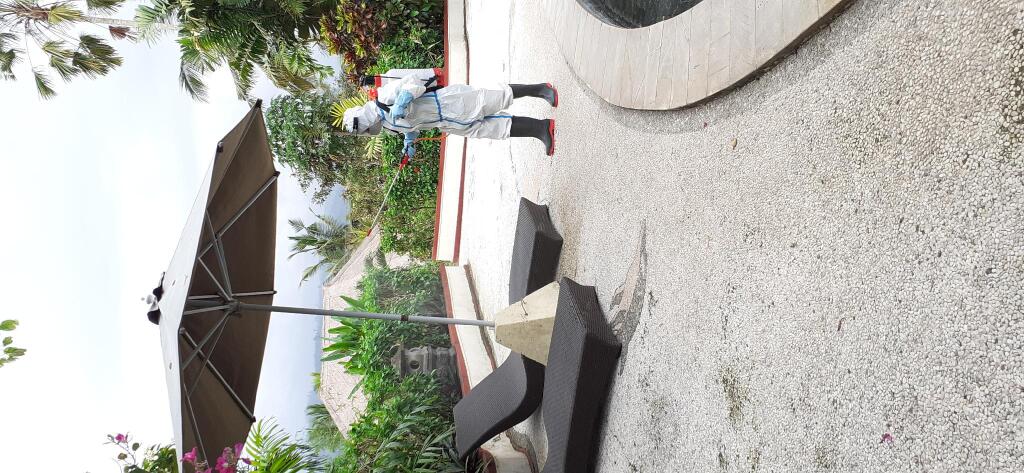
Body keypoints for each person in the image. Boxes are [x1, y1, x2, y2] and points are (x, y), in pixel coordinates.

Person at [341, 75, 559, 156]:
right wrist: (409, 141)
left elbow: (413, 82)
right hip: (446, 123)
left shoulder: (384, 97)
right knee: (494, 129)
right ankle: (540, 129)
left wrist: (402, 100)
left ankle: (541, 89)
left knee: (495, 98)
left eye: (364, 128)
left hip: (448, 102)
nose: (368, 131)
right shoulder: (387, 126)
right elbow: (413, 126)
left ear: (363, 117)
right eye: (365, 132)